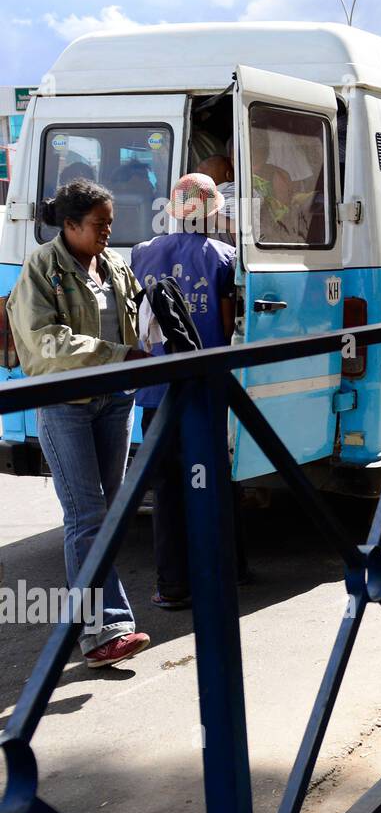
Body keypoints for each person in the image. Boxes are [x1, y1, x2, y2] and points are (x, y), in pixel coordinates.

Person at [6, 179, 152, 667]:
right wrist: (118, 353)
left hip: (115, 401)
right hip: (66, 405)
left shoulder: (112, 265)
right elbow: (44, 343)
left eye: (111, 223)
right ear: (69, 225)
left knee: (106, 515)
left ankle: (86, 623)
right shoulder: (41, 268)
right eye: (99, 225)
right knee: (87, 515)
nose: (108, 232)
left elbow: (137, 315)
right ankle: (104, 630)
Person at [131, 173, 239, 607]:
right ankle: (218, 577)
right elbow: (228, 328)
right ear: (213, 212)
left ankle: (171, 586)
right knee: (209, 483)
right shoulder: (225, 257)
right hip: (204, 388)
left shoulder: (141, 253)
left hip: (157, 391)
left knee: (167, 490)